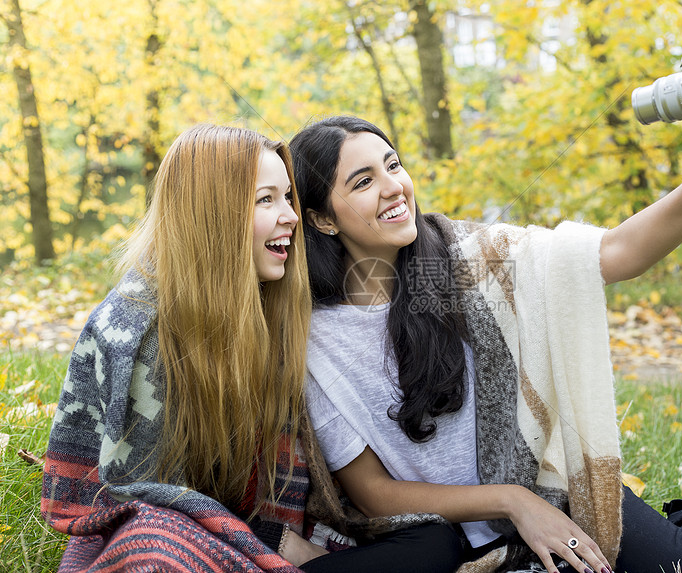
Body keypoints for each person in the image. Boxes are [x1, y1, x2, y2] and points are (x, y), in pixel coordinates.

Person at [289, 84, 682, 573]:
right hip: (454, 537)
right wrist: (512, 503)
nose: (394, 186)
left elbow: (610, 255)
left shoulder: (472, 258)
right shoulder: (316, 342)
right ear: (322, 219)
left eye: (393, 165)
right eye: (362, 182)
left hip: (553, 494)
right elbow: (373, 494)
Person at [41, 124, 461, 573]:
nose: (291, 217)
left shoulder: (273, 308)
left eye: (288, 198)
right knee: (155, 550)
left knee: (434, 542)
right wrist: (267, 542)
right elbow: (136, 491)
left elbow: (296, 491)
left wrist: (278, 538)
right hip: (176, 534)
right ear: (212, 212)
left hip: (257, 534)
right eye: (266, 200)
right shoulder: (138, 327)